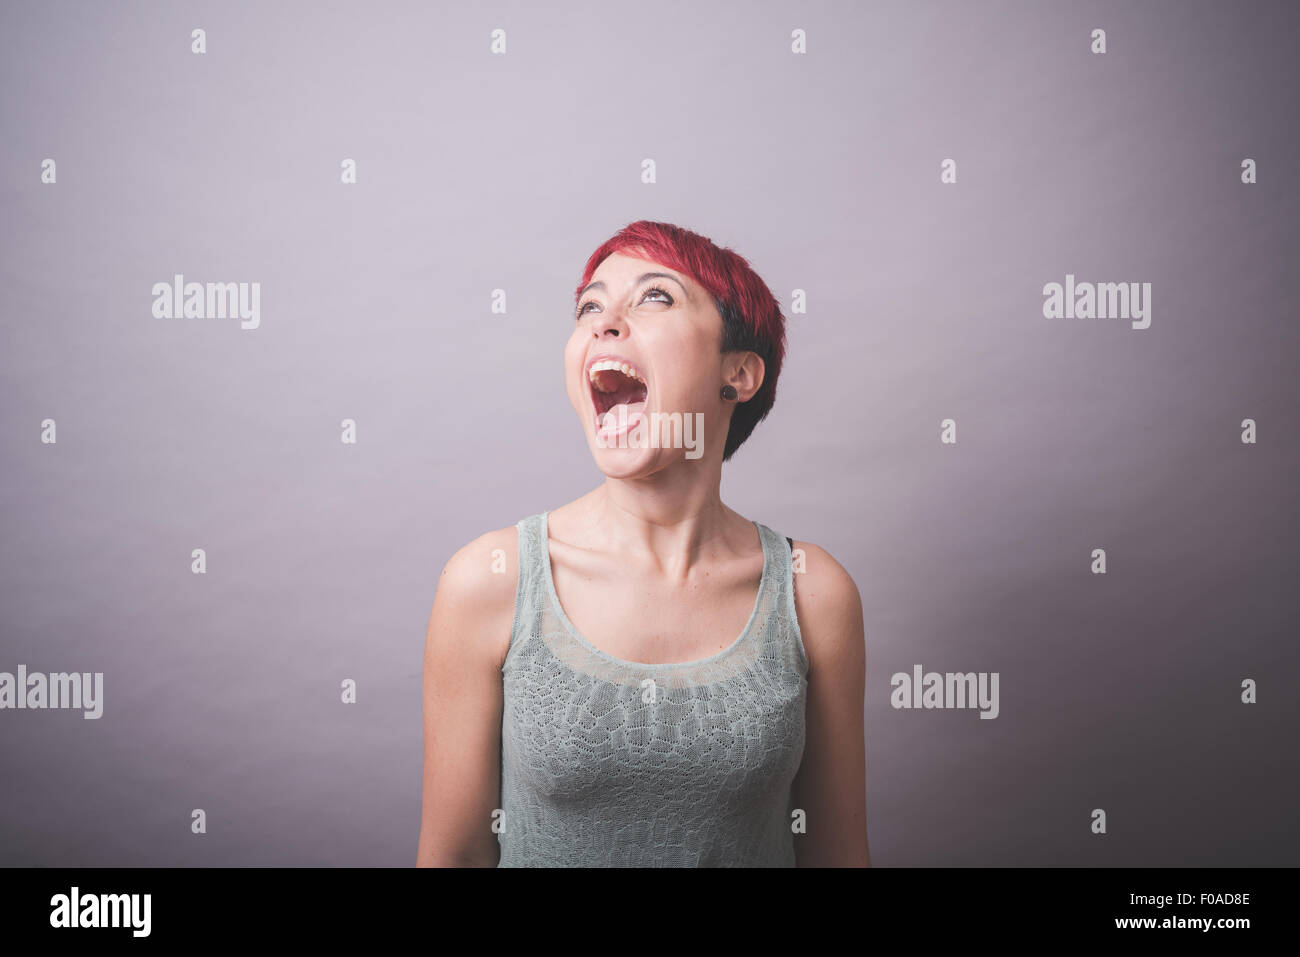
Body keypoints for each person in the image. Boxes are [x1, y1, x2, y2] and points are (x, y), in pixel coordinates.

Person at [417, 220, 869, 866]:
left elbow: (838, 856)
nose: (605, 322)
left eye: (655, 297)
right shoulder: (489, 581)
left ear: (738, 373)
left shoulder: (812, 592)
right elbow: (451, 856)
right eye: (590, 307)